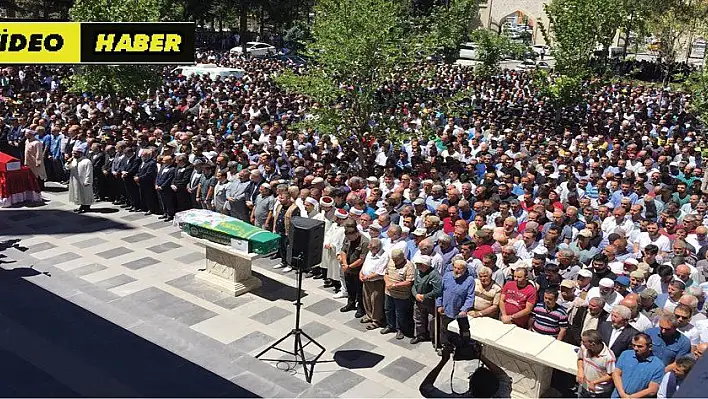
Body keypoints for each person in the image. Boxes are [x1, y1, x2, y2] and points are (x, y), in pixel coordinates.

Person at [419, 344, 512, 398]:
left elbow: (425, 388)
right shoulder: (502, 394)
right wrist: (481, 357)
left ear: (471, 388)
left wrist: (443, 361)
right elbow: (503, 377)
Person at [611, 333, 665, 398]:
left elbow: (652, 390)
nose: (635, 348)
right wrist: (622, 393)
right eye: (633, 345)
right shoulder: (626, 354)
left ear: (650, 347)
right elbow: (616, 374)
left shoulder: (658, 366)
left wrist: (630, 397)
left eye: (640, 346)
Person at [436, 259, 475, 349]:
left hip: (459, 312)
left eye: (459, 269)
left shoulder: (470, 280)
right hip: (446, 310)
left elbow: (470, 297)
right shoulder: (447, 276)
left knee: (460, 331)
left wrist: (464, 310)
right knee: (444, 329)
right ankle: (445, 346)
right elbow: (440, 292)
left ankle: (460, 348)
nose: (456, 270)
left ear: (465, 269)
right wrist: (439, 305)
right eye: (455, 268)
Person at [381, 248, 414, 339]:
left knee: (400, 313)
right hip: (389, 292)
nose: (395, 262)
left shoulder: (409, 265)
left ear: (402, 257)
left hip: (401, 295)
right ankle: (390, 326)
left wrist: (395, 285)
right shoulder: (391, 262)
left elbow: (409, 282)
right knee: (388, 309)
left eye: (397, 260)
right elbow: (386, 274)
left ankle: (400, 329)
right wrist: (387, 283)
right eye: (394, 260)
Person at [339, 219, 369, 318]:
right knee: (349, 287)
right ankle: (350, 303)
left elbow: (361, 259)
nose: (349, 240)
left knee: (359, 290)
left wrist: (349, 266)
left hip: (358, 270)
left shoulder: (364, 242)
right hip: (347, 269)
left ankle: (360, 308)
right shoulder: (347, 237)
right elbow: (343, 251)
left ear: (356, 234)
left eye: (351, 238)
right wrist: (345, 264)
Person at [411, 254, 442, 344]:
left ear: (424, 265)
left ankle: (433, 338)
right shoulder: (417, 271)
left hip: (430, 302)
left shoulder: (434, 275)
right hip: (418, 301)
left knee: (431, 321)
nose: (416, 266)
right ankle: (420, 335)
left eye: (418, 264)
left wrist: (425, 296)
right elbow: (414, 285)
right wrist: (416, 294)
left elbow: (438, 290)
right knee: (418, 318)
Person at [577, 329, 616, 398]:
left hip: (598, 391)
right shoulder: (584, 348)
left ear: (593, 344)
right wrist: (580, 370)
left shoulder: (608, 357)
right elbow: (580, 359)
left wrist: (594, 382)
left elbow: (610, 375)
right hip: (584, 385)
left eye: (584, 342)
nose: (582, 343)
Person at [359, 238, 389, 330]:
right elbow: (365, 264)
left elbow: (380, 271)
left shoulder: (384, 256)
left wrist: (368, 277)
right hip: (366, 280)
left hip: (376, 282)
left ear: (377, 248)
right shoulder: (370, 253)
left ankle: (376, 320)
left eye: (370, 247)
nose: (368, 248)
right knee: (366, 299)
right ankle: (369, 315)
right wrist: (361, 273)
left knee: (375, 301)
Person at [65, 142, 93, 213]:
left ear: (80, 153)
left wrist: (87, 181)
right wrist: (68, 162)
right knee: (78, 194)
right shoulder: (73, 160)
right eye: (73, 153)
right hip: (75, 181)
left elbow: (89, 172)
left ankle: (86, 207)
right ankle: (82, 206)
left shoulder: (87, 161)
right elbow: (67, 168)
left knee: (86, 194)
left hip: (84, 181)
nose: (73, 155)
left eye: (75, 153)